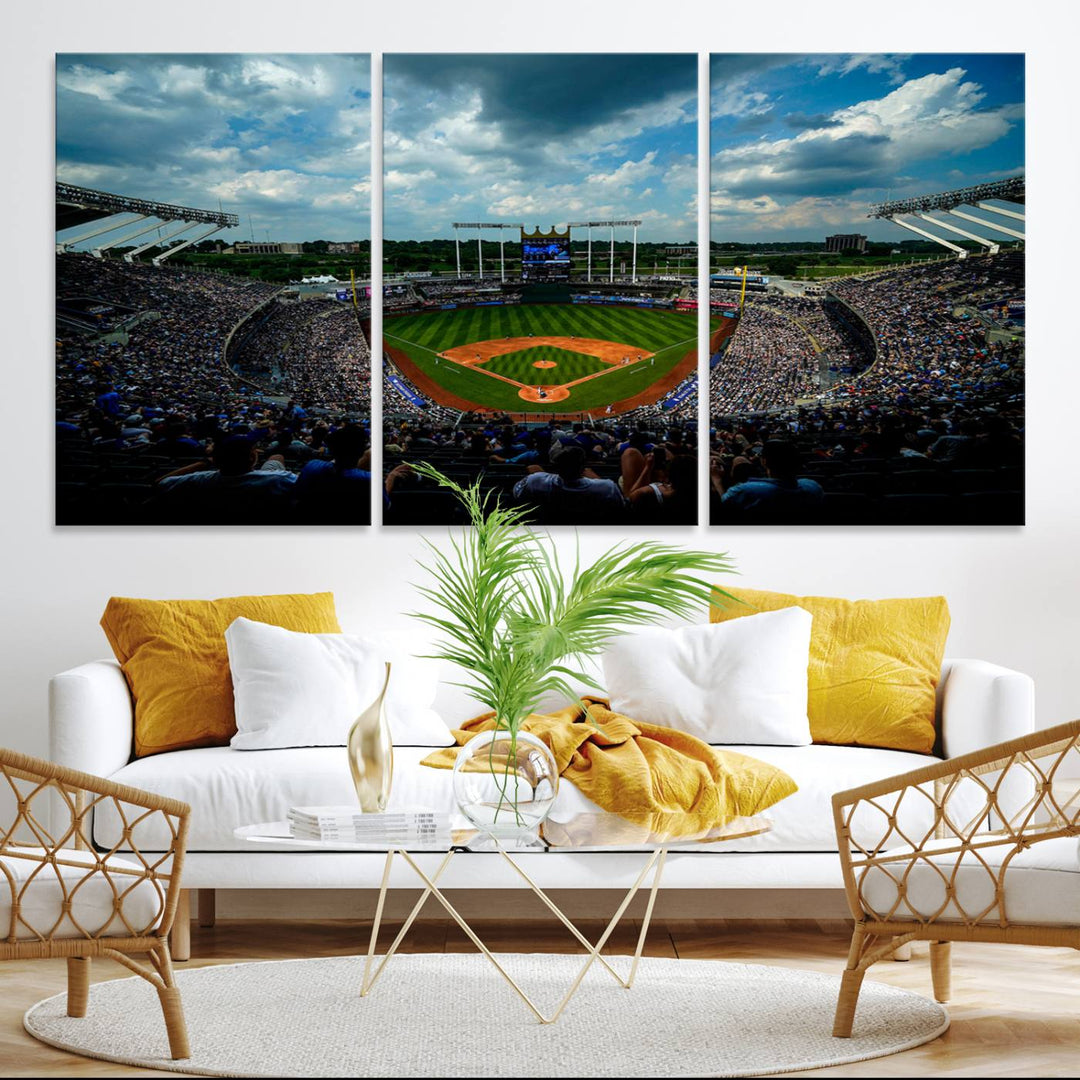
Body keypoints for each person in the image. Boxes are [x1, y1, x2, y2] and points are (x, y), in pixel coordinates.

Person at [152, 434, 298, 524]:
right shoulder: (280, 479)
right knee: (276, 458)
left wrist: (202, 463)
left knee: (275, 458)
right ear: (253, 457)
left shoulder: (199, 480)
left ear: (216, 460)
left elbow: (159, 483)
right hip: (265, 487)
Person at [513, 445, 624, 525]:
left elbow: (516, 493)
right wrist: (595, 478)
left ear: (556, 467)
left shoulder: (535, 481)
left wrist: (543, 475)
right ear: (582, 467)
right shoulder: (607, 487)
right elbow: (620, 508)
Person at [717, 439, 824, 523]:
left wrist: (716, 479)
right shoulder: (813, 486)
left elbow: (723, 505)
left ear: (764, 462)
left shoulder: (744, 491)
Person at [293, 424, 372, 524]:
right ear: (361, 452)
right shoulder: (369, 479)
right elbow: (384, 507)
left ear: (331, 449)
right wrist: (391, 476)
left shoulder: (312, 466)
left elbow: (297, 497)